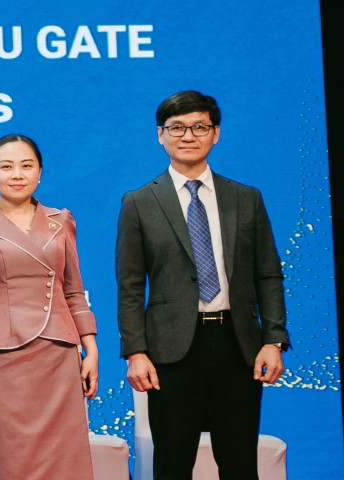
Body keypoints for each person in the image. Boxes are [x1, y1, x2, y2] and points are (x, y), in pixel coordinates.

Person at [118, 90, 288, 480]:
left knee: (240, 462)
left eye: (199, 126)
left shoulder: (246, 198)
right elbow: (129, 286)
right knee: (173, 464)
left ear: (216, 134)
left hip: (238, 346)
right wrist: (136, 352)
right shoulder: (140, 202)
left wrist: (273, 340)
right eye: (176, 127)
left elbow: (268, 274)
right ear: (160, 135)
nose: (188, 135)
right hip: (171, 352)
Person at [0, 134, 98, 478]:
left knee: (67, 457)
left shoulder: (61, 221)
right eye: (6, 166)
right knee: (13, 455)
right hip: (2, 357)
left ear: (39, 172)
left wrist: (90, 349)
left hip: (59, 351)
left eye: (26, 165)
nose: (17, 173)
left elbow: (74, 290)